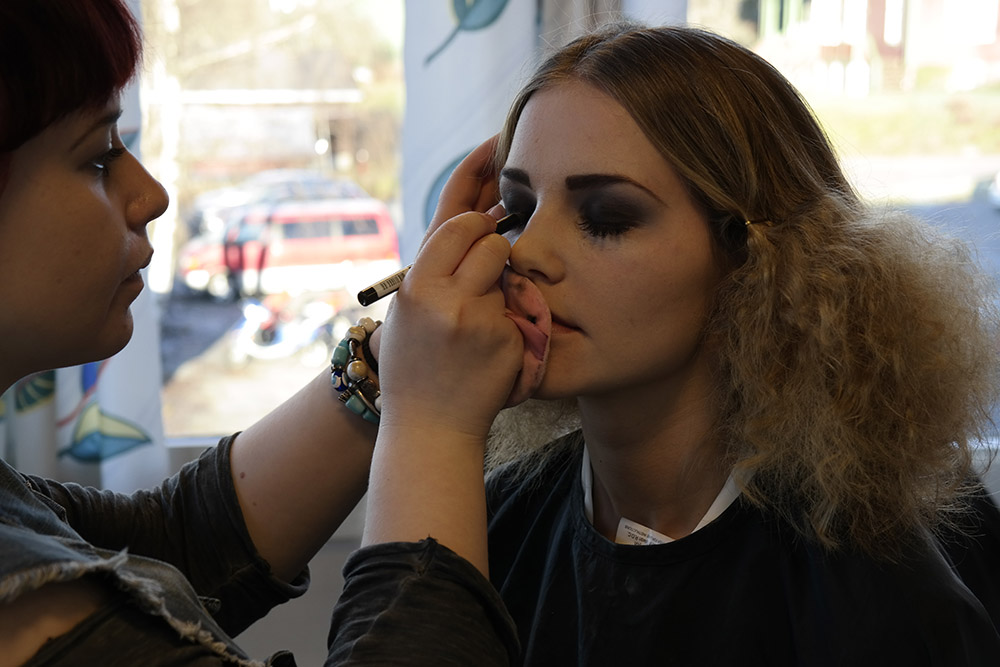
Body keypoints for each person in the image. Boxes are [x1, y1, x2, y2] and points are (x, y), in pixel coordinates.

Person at [347, 21, 1000, 666]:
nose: (528, 252)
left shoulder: (875, 597)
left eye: (605, 218)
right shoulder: (485, 527)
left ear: (754, 260)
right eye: (517, 211)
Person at [0, 2, 518, 665]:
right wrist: (431, 419)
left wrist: (391, 359)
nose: (153, 195)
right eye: (99, 157)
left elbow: (175, 549)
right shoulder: (26, 610)